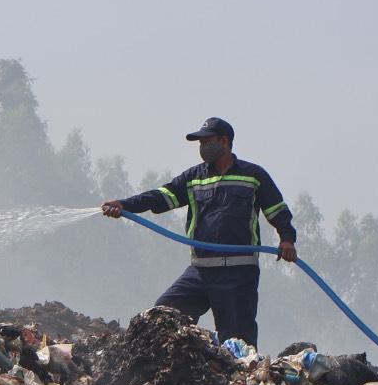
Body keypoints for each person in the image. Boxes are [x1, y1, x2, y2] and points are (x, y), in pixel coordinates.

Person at [100, 116, 297, 349]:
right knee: (164, 317)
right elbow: (161, 197)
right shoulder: (194, 177)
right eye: (200, 143)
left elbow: (277, 210)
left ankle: (242, 384)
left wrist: (287, 239)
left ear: (224, 141)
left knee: (237, 344)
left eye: (206, 141)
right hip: (200, 271)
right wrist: (124, 205)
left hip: (238, 273)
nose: (202, 148)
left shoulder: (253, 175)